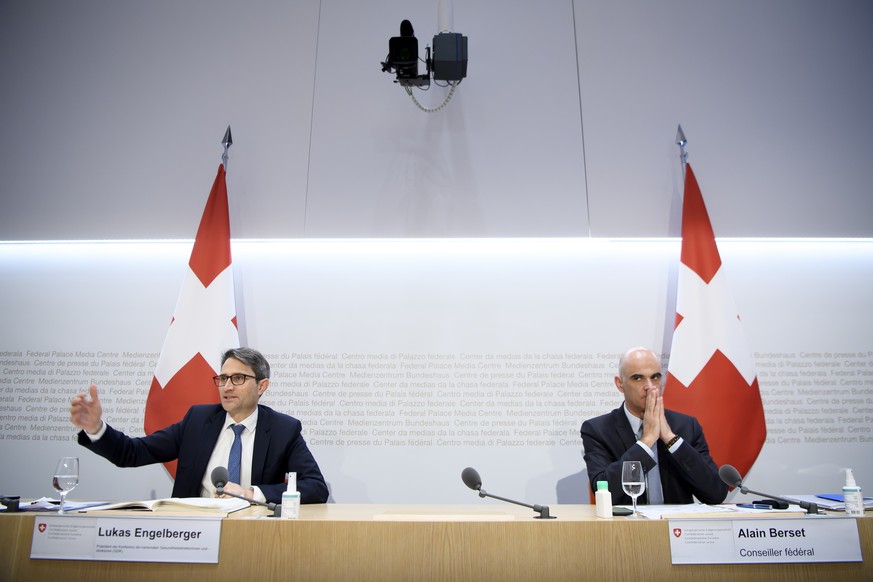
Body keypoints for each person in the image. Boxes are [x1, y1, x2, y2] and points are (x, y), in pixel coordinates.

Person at [70, 347, 329, 505]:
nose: (227, 386)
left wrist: (252, 493)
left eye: (238, 378)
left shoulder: (283, 429)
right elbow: (131, 452)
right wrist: (96, 428)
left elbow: (315, 487)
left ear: (262, 386)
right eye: (223, 378)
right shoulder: (198, 421)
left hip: (252, 533)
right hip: (191, 532)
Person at [580, 346, 727, 505]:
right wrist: (647, 440)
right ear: (620, 383)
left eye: (655, 377)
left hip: (677, 527)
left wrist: (671, 439)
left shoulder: (687, 426)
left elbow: (716, 493)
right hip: (628, 527)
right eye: (638, 378)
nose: (650, 386)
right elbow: (605, 493)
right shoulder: (598, 430)